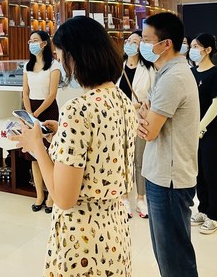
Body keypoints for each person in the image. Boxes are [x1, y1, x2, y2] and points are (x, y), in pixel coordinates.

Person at [12, 16, 136, 277]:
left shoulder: (78, 109)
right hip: (115, 230)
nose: (60, 63)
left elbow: (63, 198)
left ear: (74, 57)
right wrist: (62, 134)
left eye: (60, 55)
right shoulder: (121, 99)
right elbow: (101, 147)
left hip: (82, 237)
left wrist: (37, 146)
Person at [137, 12, 200, 277]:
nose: (142, 45)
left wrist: (145, 118)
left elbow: (148, 131)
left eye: (146, 40)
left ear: (166, 44)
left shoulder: (174, 77)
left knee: (174, 257)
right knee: (168, 253)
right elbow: (145, 113)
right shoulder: (165, 73)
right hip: (162, 173)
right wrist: (145, 115)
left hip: (169, 180)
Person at [188, 34, 217, 235]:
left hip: (211, 131)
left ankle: (214, 216)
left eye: (197, 46)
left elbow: (216, 103)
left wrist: (201, 126)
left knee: (212, 173)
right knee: (199, 172)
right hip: (192, 130)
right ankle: (203, 209)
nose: (192, 50)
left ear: (208, 50)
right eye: (192, 46)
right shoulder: (191, 73)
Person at [22, 30, 60, 213]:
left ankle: (52, 196)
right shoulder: (27, 66)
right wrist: (30, 114)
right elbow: (25, 92)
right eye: (30, 41)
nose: (32, 44)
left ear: (44, 43)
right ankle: (39, 195)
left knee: (51, 154)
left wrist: (36, 114)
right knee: (35, 156)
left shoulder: (54, 66)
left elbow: (52, 94)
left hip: (48, 110)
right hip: (31, 110)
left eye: (35, 40)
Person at [119, 30, 155, 219]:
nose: (130, 44)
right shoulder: (118, 67)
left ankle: (141, 198)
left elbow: (154, 93)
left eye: (135, 42)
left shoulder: (148, 68)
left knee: (140, 159)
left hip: (140, 118)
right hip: (119, 119)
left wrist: (140, 105)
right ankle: (124, 197)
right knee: (123, 159)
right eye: (129, 41)